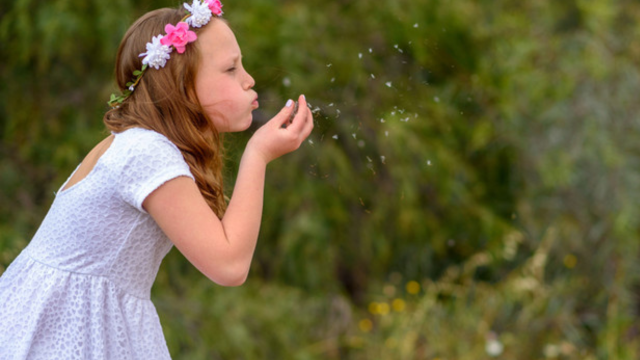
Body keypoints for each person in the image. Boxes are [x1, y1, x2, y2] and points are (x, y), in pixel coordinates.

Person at [0, 0, 313, 358]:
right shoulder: (144, 152)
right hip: (65, 332)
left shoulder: (139, 144)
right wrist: (257, 155)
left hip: (83, 323)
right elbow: (229, 265)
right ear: (182, 85)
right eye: (230, 69)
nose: (249, 80)